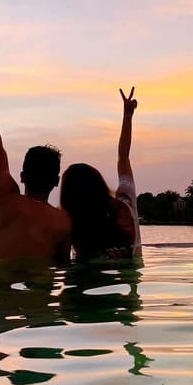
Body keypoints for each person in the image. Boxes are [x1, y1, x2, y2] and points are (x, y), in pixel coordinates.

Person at [0, 73, 72, 261]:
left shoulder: (6, 199)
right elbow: (63, 266)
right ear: (56, 181)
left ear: (22, 176)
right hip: (41, 279)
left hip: (4, 279)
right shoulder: (63, 221)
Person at [60, 86, 141, 260]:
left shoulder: (76, 227)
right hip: (131, 277)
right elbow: (123, 157)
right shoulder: (126, 202)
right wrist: (127, 117)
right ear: (99, 185)